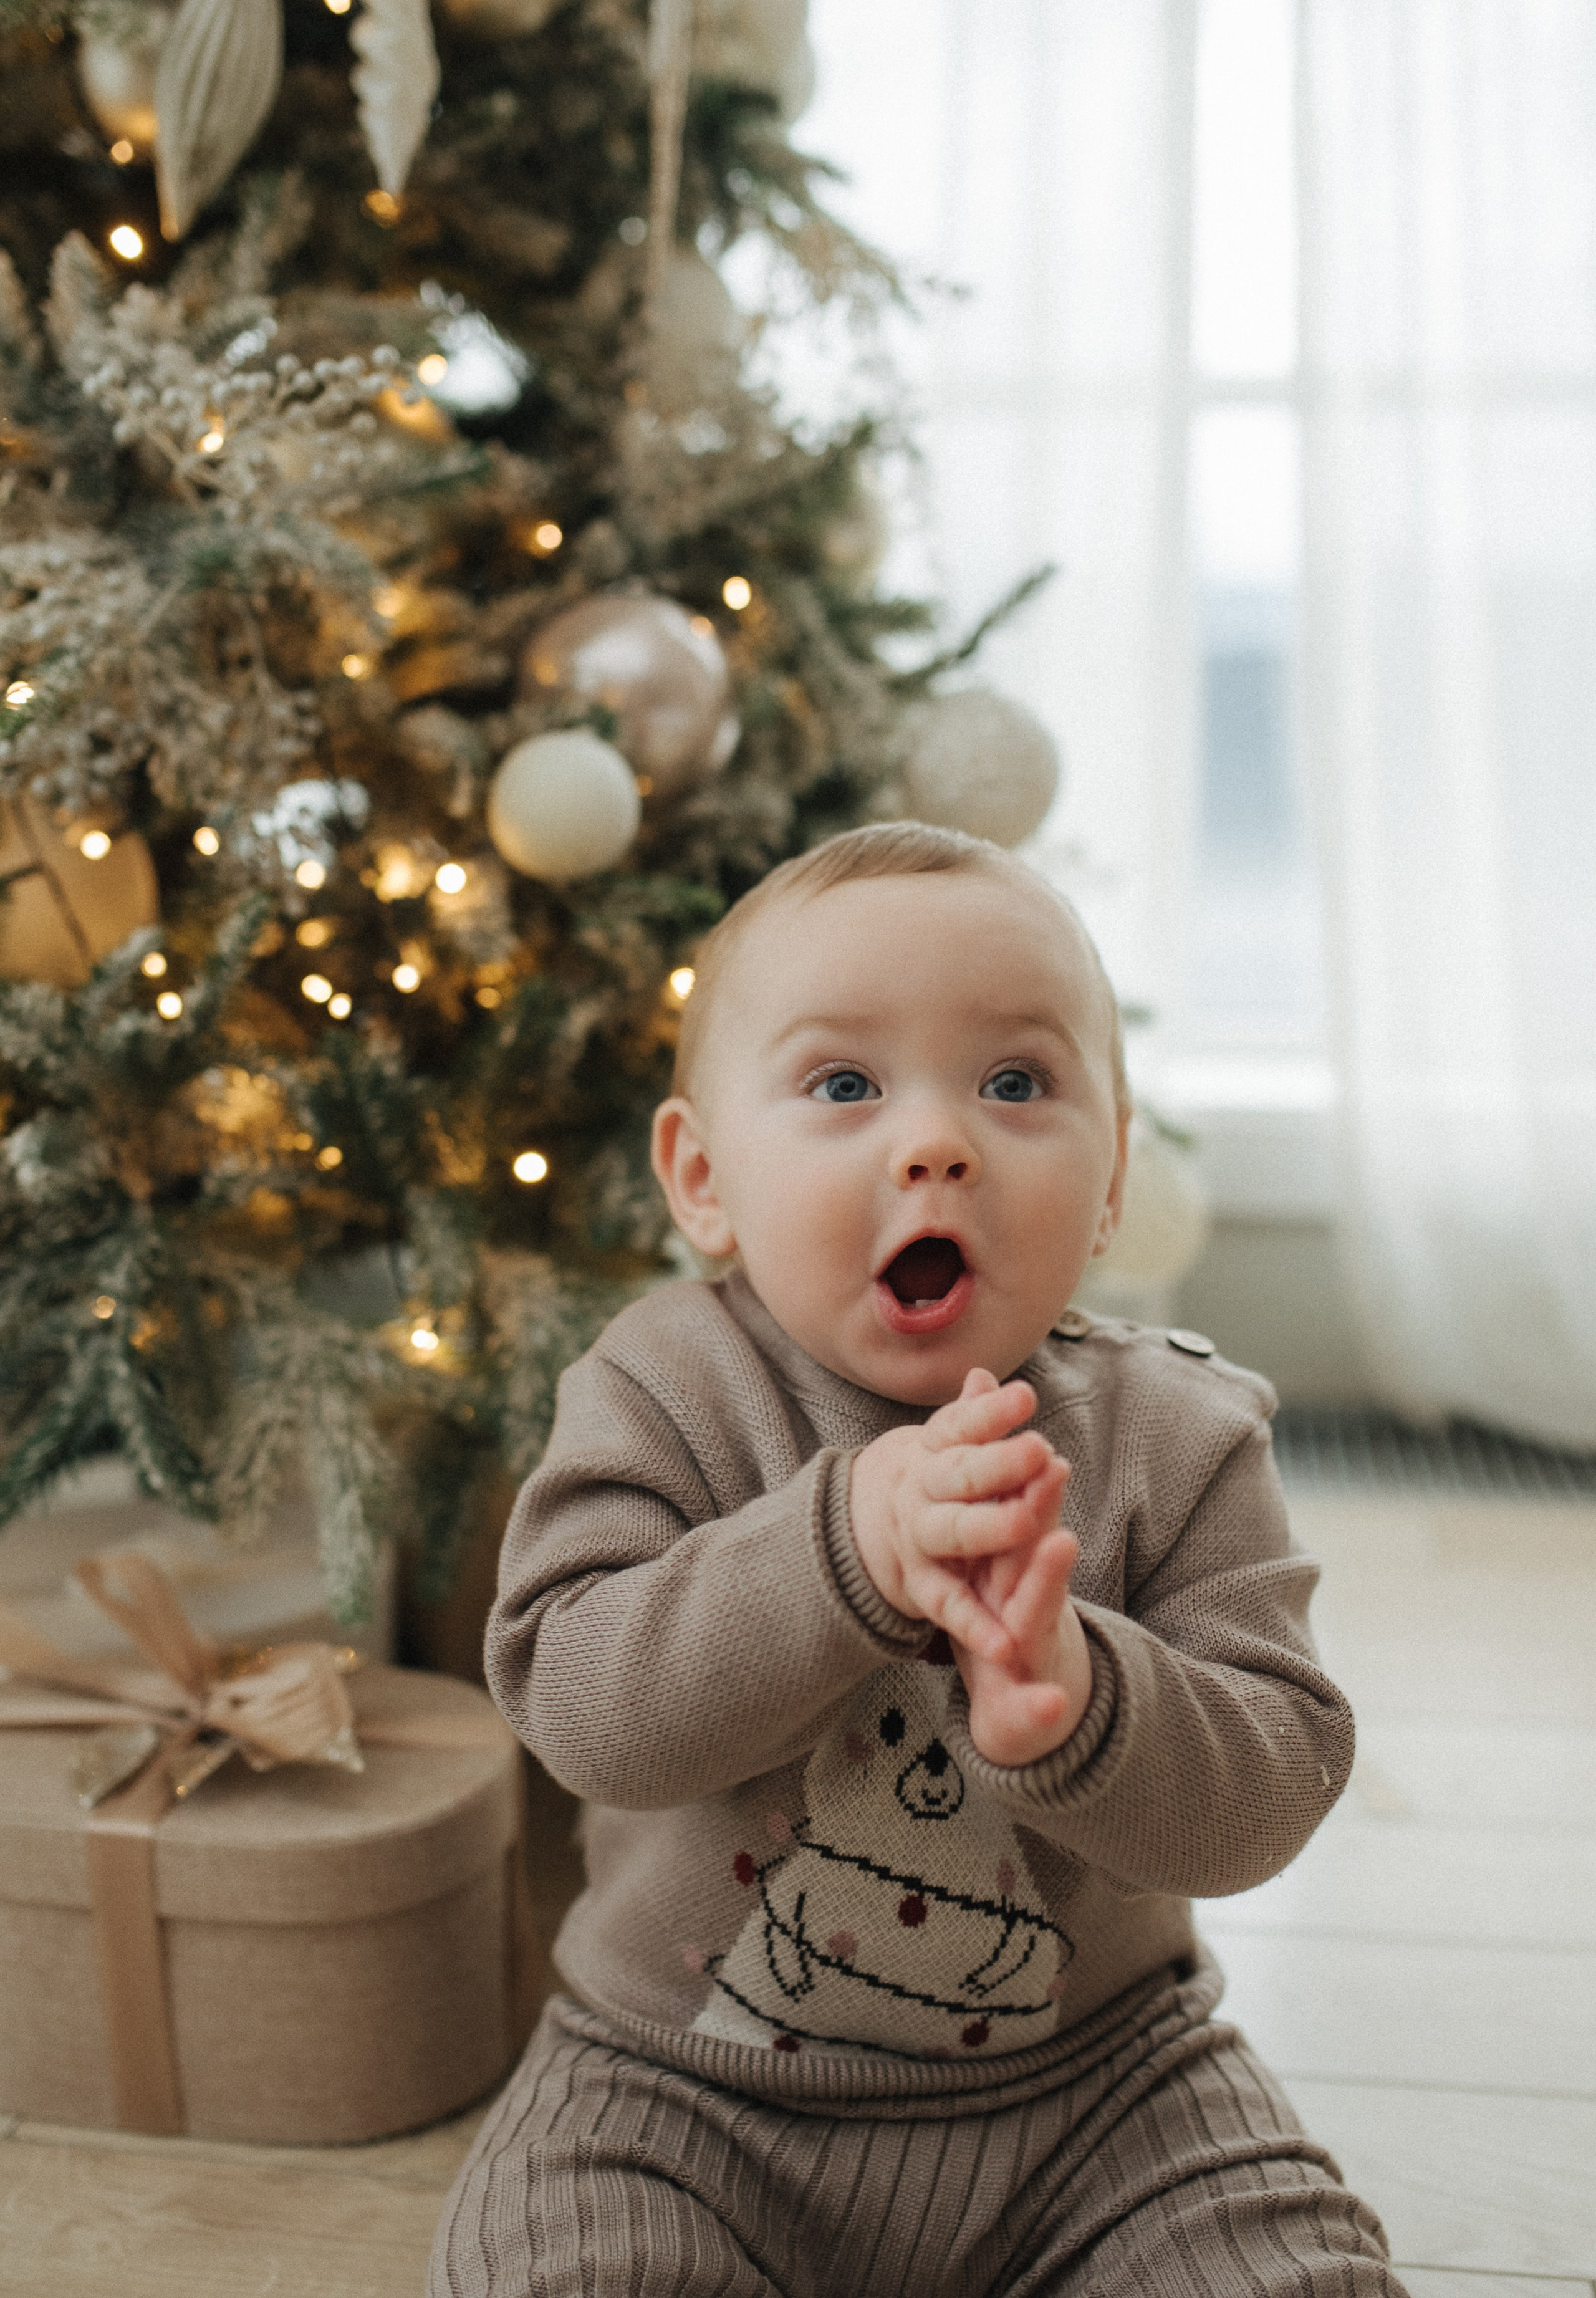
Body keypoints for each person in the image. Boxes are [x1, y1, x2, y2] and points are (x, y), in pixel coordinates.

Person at [430, 822, 1406, 2297]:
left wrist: (1084, 1699)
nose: (936, 1142)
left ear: (1111, 1174)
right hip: (677, 2090)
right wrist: (837, 1549)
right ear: (702, 1176)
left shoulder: (1179, 1431)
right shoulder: (661, 1388)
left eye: (1014, 1082)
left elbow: (1269, 1786)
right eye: (843, 1085)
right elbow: (579, 1707)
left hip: (1106, 2097)